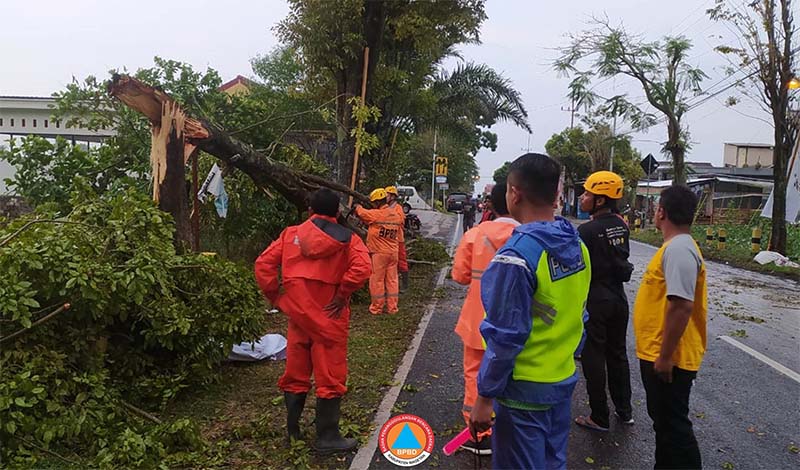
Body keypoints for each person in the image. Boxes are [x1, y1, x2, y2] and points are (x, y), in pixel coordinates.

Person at [469, 153, 591, 470]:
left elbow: (506, 337)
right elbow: (580, 314)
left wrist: (484, 397)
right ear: (556, 195)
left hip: (522, 391)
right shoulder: (578, 248)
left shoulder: (516, 257)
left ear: (514, 192)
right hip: (561, 382)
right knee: (552, 463)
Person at [254, 188, 371, 453]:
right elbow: (363, 268)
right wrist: (342, 295)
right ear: (338, 213)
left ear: (309, 211)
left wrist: (277, 297)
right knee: (330, 377)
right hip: (330, 320)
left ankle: (293, 432)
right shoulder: (349, 240)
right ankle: (327, 437)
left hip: (299, 319)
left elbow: (263, 265)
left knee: (295, 374)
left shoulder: (290, 234)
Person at [633, 185, 706, 469]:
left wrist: (664, 358)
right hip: (659, 352)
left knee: (674, 427)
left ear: (660, 212)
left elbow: (681, 305)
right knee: (664, 425)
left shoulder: (679, 249)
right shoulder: (675, 247)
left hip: (668, 357)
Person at [451, 182, 519, 455]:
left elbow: (460, 276)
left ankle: (479, 434)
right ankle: (510, 429)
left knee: (475, 374)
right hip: (516, 320)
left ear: (491, 205)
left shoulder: (475, 235)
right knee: (514, 374)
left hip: (478, 318)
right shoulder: (527, 235)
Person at [573, 171, 635, 432]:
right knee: (618, 354)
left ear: (599, 200)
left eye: (587, 193)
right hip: (619, 299)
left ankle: (599, 416)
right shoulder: (621, 224)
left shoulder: (586, 230)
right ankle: (625, 411)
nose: (581, 197)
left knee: (593, 356)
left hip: (595, 300)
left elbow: (576, 267)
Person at [355, 188, 404, 314]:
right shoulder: (395, 215)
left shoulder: (377, 214)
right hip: (393, 252)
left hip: (379, 253)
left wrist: (357, 206)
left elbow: (362, 213)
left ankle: (377, 307)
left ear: (376, 202)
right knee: (392, 280)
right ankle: (392, 308)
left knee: (377, 280)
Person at [385, 186, 409, 293]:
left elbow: (400, 220)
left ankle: (405, 285)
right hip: (387, 239)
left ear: (393, 196)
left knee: (401, 262)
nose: (386, 197)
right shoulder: (384, 208)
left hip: (398, 239)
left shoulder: (398, 208)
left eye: (387, 195)